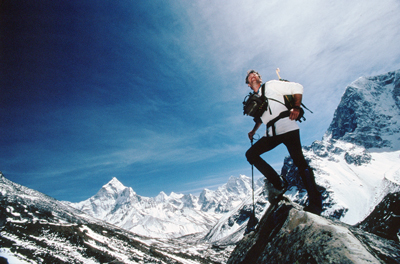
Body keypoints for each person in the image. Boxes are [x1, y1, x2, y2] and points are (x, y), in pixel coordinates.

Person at [245, 69, 322, 215]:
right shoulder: (256, 98)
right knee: (251, 154)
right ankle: (278, 183)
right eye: (250, 76)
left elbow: (297, 87)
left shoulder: (271, 85)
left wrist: (296, 106)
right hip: (272, 133)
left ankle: (315, 203)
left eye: (256, 74)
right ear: (248, 84)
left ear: (260, 80)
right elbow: (263, 117)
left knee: (300, 163)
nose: (253, 75)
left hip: (288, 127)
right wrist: (253, 131)